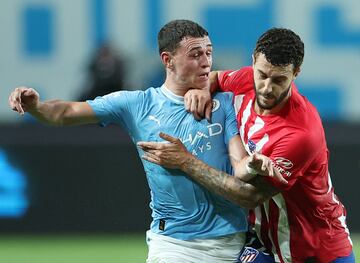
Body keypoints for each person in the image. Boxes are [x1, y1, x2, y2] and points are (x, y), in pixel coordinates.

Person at [8, 19, 283, 263]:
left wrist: (254, 164)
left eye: (209, 53)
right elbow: (66, 112)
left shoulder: (224, 103)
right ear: (167, 60)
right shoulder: (137, 104)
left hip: (232, 244)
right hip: (174, 246)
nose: (206, 61)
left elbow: (239, 163)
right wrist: (36, 106)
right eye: (196, 54)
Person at [137, 28, 355, 262]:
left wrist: (185, 161)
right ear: (253, 62)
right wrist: (201, 89)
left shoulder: (300, 133)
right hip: (268, 245)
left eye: (279, 80)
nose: (266, 87)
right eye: (261, 74)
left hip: (315, 250)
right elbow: (215, 78)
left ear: (296, 73)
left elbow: (249, 196)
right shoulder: (245, 79)